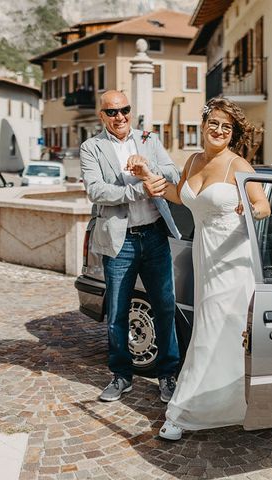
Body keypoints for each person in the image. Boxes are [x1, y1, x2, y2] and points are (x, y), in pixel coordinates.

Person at [128, 97, 271, 441]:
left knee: (212, 330)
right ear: (204, 125)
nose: (219, 130)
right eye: (214, 123)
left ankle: (184, 411)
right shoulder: (192, 161)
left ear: (232, 133)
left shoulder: (240, 167)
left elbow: (263, 205)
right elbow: (179, 196)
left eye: (226, 126)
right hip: (204, 257)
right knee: (215, 330)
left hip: (233, 260)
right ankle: (231, 400)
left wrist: (249, 211)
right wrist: (147, 173)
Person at [80, 90, 181, 403]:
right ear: (102, 115)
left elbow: (174, 173)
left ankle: (168, 375)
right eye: (112, 112)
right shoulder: (91, 147)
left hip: (154, 236)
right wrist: (138, 191)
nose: (119, 117)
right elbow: (96, 191)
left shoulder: (148, 139)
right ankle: (121, 376)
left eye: (124, 109)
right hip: (118, 241)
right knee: (117, 312)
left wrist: (147, 166)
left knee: (165, 307)